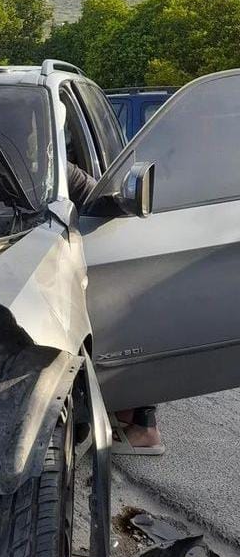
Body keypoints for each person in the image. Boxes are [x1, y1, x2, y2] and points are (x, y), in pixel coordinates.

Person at [67, 159, 165, 455]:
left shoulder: (51, 164)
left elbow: (98, 198)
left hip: (98, 258)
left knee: (132, 325)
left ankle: (146, 427)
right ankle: (126, 413)